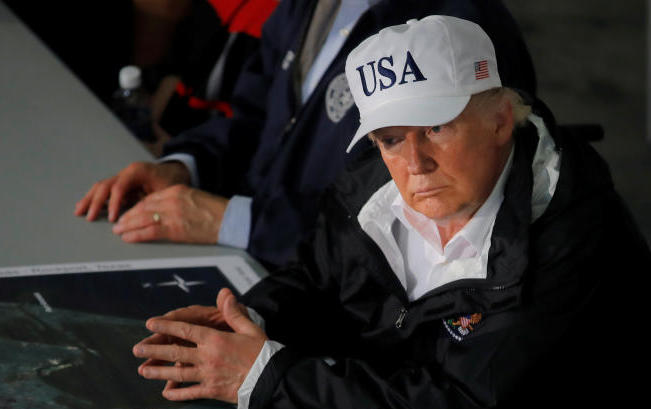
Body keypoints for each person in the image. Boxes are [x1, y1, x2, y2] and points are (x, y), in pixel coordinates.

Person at [131, 15, 651, 409]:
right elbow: (319, 277)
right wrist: (248, 320)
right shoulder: (374, 177)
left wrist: (266, 376)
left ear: (500, 119)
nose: (415, 162)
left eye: (437, 126)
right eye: (389, 137)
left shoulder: (572, 234)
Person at [74, 0, 537, 268]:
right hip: (260, 264)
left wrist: (239, 223)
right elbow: (257, 115)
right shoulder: (308, 5)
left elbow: (418, 220)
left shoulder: (456, 32)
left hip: (337, 296)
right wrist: (186, 165)